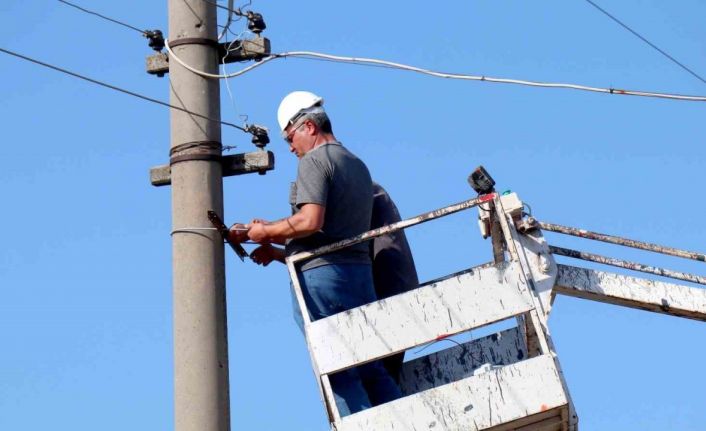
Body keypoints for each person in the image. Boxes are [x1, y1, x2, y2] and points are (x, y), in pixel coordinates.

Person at [228, 91, 402, 416]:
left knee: (339, 369)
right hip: (359, 278)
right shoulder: (357, 165)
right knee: (371, 367)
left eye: (289, 137)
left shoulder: (315, 161)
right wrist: (279, 252)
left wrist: (263, 231)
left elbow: (310, 221)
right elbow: (331, 234)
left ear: (308, 126)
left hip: (324, 281)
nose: (291, 147)